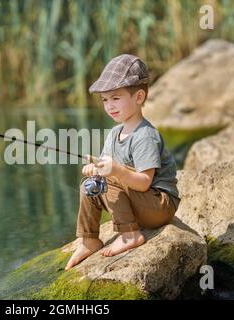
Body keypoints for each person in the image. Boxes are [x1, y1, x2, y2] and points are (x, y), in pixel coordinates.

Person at [65, 54, 181, 271]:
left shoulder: (145, 135)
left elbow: (145, 182)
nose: (109, 106)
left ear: (138, 98)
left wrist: (115, 170)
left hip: (159, 206)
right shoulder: (115, 133)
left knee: (109, 180)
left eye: (116, 98)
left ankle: (130, 235)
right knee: (89, 186)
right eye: (105, 100)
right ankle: (89, 239)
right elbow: (105, 170)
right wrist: (95, 170)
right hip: (139, 204)